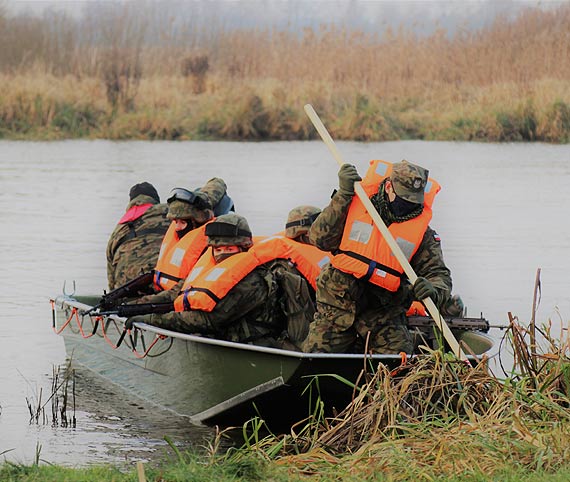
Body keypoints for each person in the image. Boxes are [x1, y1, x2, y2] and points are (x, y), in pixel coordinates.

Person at [302, 159, 453, 355]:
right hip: (337, 304)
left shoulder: (423, 234)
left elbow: (440, 275)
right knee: (313, 361)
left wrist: (433, 290)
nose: (407, 206)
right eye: (403, 199)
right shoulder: (355, 202)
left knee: (399, 361)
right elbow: (319, 239)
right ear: (389, 186)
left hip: (384, 310)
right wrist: (343, 194)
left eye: (413, 201)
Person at [126, 213, 287, 347]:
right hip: (222, 338)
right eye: (218, 249)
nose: (222, 254)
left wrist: (153, 320)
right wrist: (136, 307)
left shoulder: (253, 280)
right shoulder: (209, 268)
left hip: (250, 347)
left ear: (243, 248)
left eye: (229, 249)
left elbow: (209, 320)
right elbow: (175, 293)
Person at [106, 182, 170, 291]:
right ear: (156, 200)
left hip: (125, 293)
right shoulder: (169, 214)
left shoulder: (119, 228)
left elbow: (111, 281)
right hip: (164, 289)